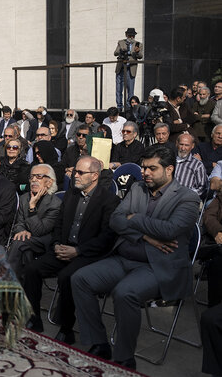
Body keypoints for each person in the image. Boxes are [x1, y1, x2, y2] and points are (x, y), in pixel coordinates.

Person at [72, 146, 200, 370]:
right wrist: (145, 236)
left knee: (125, 293)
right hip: (124, 258)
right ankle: (99, 342)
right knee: (80, 278)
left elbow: (170, 230)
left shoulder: (188, 198)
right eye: (143, 167)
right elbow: (115, 220)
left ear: (169, 169)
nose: (145, 172)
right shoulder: (138, 188)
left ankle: (124, 357)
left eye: (152, 168)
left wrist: (134, 218)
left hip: (158, 266)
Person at [23, 157, 119, 342]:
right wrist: (57, 244)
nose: (75, 175)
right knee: (31, 269)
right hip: (62, 249)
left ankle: (66, 328)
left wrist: (78, 251)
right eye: (75, 171)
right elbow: (59, 225)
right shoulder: (71, 194)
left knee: (67, 276)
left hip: (88, 254)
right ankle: (33, 318)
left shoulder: (109, 200)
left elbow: (107, 237)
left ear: (95, 176)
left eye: (81, 173)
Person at [7, 163, 62, 277]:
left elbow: (40, 231)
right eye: (32, 177)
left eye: (39, 176)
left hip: (44, 240)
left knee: (19, 243)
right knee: (24, 248)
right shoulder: (24, 198)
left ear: (50, 182)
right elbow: (19, 222)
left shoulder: (55, 203)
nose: (33, 180)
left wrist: (32, 206)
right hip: (26, 240)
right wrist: (21, 231)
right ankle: (24, 283)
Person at [114, 27, 142, 111]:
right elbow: (115, 53)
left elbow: (140, 56)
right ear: (126, 35)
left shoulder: (138, 44)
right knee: (119, 89)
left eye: (133, 36)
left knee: (130, 89)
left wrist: (136, 52)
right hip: (121, 68)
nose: (131, 37)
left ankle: (129, 106)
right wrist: (121, 51)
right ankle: (119, 106)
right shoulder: (121, 42)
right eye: (129, 35)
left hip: (131, 69)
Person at [174, 133, 208, 199]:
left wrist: (188, 195)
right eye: (181, 144)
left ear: (192, 146)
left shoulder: (197, 165)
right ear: (176, 144)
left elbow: (202, 187)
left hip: (186, 200)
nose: (183, 148)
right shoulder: (169, 160)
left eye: (186, 145)